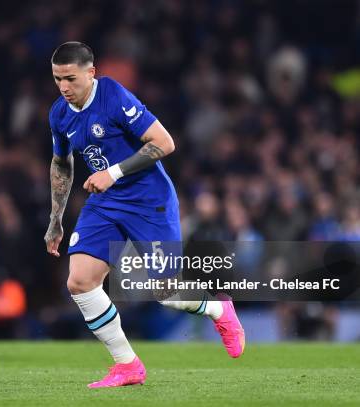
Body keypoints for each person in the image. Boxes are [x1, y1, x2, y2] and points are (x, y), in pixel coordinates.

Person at [44, 42, 245, 388]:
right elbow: (62, 163)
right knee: (79, 281)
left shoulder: (114, 96)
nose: (64, 87)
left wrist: (114, 173)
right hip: (105, 204)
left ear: (91, 73)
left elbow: (165, 142)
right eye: (58, 79)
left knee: (166, 292)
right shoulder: (59, 114)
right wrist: (55, 218)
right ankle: (127, 365)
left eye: (71, 79)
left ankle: (218, 310)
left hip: (149, 201)